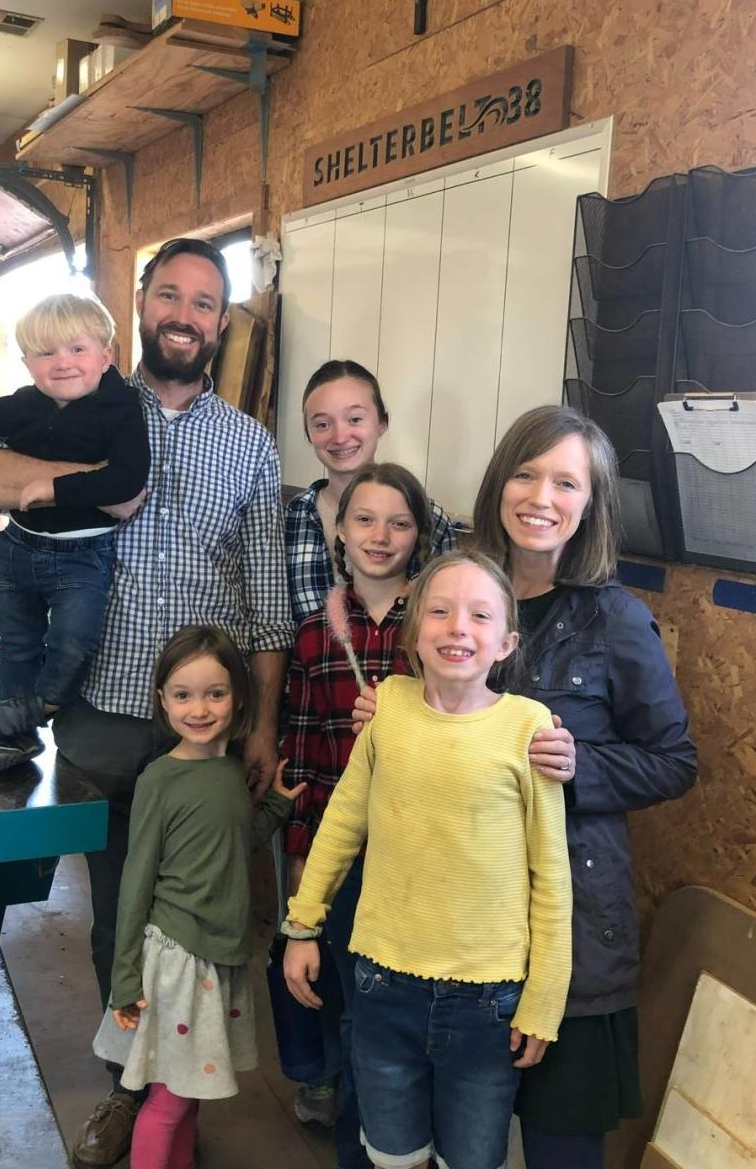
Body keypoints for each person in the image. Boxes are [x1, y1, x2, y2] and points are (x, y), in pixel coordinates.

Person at [0, 237, 294, 1168]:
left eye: (204, 303)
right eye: (168, 295)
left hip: (205, 727)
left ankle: (181, 1086)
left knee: (200, 918)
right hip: (99, 710)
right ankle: (128, 1091)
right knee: (118, 917)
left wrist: (265, 722)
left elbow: (264, 602)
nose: (184, 314)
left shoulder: (248, 444)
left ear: (220, 323)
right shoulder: (71, 402)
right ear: (139, 302)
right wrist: (61, 485)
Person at [355, 405, 698, 1169]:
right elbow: (433, 725)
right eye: (526, 472)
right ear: (499, 483)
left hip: (569, 937)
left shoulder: (616, 620)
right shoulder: (454, 590)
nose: (541, 495)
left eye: (566, 482)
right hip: (451, 932)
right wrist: (392, 714)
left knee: (559, 1147)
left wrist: (583, 766)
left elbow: (675, 760)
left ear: (591, 504)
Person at [285, 551, 573, 1169]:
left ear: (506, 642)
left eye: (479, 615)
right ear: (414, 633)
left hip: (489, 1001)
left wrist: (544, 997)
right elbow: (341, 824)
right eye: (438, 612)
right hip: (383, 983)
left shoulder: (529, 730)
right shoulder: (388, 706)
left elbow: (551, 877)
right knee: (391, 1152)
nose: (457, 628)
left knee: (472, 1157)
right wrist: (302, 924)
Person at [93, 625, 304, 1169]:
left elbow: (236, 842)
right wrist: (123, 981)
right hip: (179, 959)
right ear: (162, 702)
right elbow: (135, 881)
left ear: (239, 699)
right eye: (183, 695)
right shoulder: (158, 780)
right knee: (168, 1098)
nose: (199, 708)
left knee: (190, 1096)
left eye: (215, 693)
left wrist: (276, 806)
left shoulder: (231, 772)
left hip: (222, 957)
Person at [0, 293, 150, 773]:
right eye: (46, 353)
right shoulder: (24, 405)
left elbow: (127, 481)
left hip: (82, 556)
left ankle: (41, 706)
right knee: (18, 643)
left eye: (77, 350)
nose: (62, 363)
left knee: (73, 641)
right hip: (19, 548)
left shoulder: (120, 409)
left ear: (107, 356)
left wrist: (53, 488)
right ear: (27, 363)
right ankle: (15, 738)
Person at [283, 462, 432, 1169]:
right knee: (348, 1013)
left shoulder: (435, 626)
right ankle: (356, 1146)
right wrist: (303, 866)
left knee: (403, 1016)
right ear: (339, 530)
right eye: (365, 519)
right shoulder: (315, 632)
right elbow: (305, 751)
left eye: (399, 522)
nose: (381, 536)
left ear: (420, 535)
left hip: (417, 854)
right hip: (342, 857)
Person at [286, 360, 455, 625]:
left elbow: (451, 610)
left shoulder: (428, 517)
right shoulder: (290, 519)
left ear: (381, 422)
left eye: (355, 419)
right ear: (308, 433)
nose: (340, 436)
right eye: (322, 424)